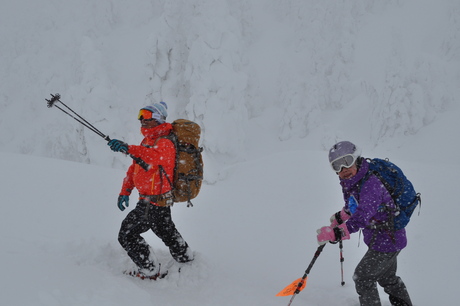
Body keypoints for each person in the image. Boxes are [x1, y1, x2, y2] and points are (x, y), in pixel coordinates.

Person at [316, 141, 412, 306]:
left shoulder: (371, 183)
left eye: (347, 161)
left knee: (363, 278)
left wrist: (337, 233)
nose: (343, 169)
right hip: (383, 238)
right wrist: (341, 216)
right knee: (387, 278)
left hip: (387, 239)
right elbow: (355, 205)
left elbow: (362, 216)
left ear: (356, 158)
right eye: (336, 166)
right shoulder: (352, 181)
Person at [107, 102, 193, 279]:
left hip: (156, 201)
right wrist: (125, 191)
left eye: (146, 116)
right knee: (165, 231)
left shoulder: (166, 142)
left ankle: (149, 269)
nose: (141, 120)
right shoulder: (147, 141)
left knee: (127, 234)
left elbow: (155, 157)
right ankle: (185, 258)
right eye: (140, 115)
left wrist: (128, 148)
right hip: (148, 200)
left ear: (158, 119)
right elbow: (135, 168)